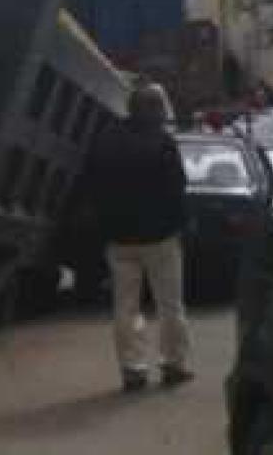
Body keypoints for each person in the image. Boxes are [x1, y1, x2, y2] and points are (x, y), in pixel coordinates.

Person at [83, 85, 192, 392]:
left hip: (119, 239)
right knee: (170, 304)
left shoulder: (105, 141)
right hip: (160, 238)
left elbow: (91, 186)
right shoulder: (163, 142)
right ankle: (174, 365)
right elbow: (177, 190)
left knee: (125, 306)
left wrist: (104, 227)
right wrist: (182, 225)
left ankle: (132, 370)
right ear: (155, 110)